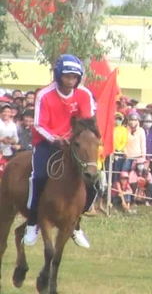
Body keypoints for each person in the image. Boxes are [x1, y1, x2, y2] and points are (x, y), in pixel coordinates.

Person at [23, 54, 96, 249]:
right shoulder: (44, 95)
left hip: (73, 142)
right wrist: (55, 138)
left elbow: (86, 122)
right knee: (38, 177)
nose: (71, 80)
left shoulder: (84, 94)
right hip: (47, 142)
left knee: (93, 178)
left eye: (74, 76)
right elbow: (38, 124)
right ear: (59, 75)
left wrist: (72, 138)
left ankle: (76, 224)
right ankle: (32, 222)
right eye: (67, 76)